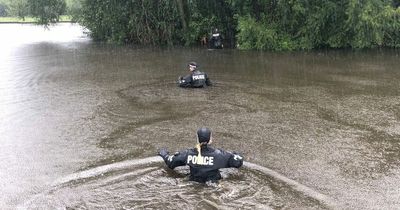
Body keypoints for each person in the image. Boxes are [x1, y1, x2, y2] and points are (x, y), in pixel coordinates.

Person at [158, 127, 244, 183]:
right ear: (210, 139)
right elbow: (238, 162)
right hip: (213, 185)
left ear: (197, 139)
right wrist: (236, 153)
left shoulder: (188, 154)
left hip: (193, 183)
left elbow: (171, 162)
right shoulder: (219, 155)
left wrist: (164, 154)